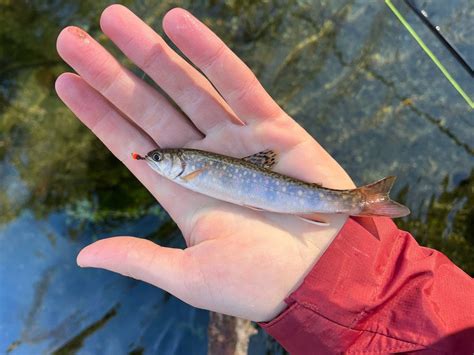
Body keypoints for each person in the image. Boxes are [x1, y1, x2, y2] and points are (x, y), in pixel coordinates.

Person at [55, 5, 474, 354]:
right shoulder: (189, 170)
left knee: (343, 201)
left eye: (162, 159)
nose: (156, 161)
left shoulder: (189, 170)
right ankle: (357, 201)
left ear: (179, 163)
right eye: (160, 159)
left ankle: (358, 201)